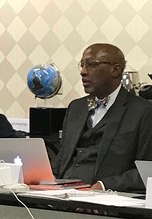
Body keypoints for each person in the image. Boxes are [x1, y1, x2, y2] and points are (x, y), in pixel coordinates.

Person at [52, 43, 152, 192]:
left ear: (115, 70)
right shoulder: (76, 108)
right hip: (62, 195)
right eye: (82, 65)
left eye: (91, 65)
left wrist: (104, 187)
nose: (83, 72)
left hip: (108, 201)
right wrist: (44, 180)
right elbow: (62, 157)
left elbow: (147, 170)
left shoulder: (143, 111)